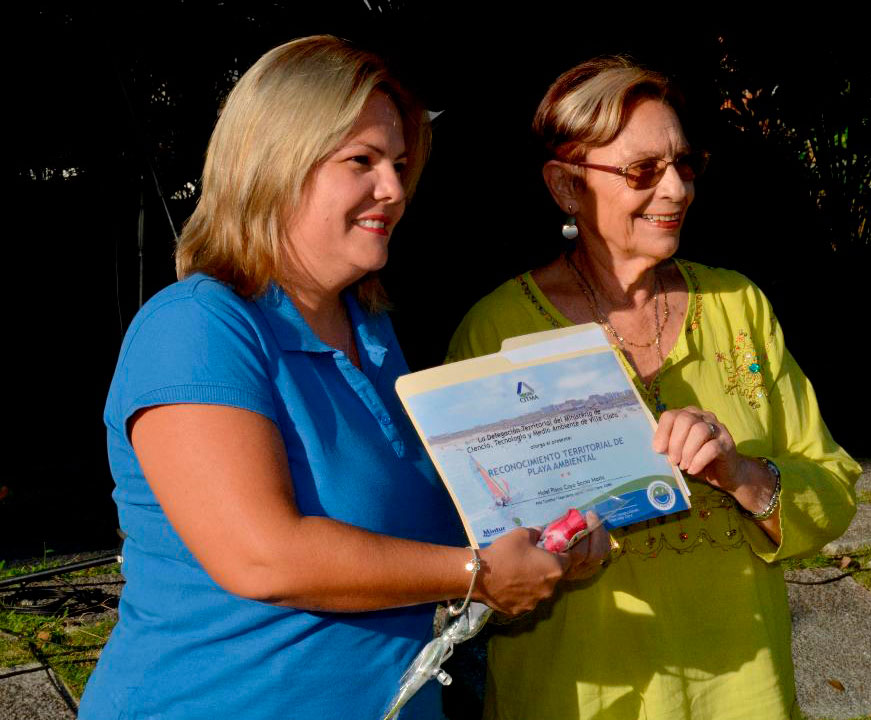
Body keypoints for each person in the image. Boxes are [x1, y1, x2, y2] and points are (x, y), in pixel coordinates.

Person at [79, 36, 607, 720]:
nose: (392, 188)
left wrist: (545, 542)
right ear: (274, 164)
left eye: (398, 163)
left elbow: (420, 536)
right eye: (361, 161)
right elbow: (263, 557)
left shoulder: (371, 329)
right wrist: (476, 575)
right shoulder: (196, 328)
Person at [446, 57, 860, 720]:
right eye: (642, 171)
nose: (677, 191)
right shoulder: (499, 332)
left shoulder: (737, 305)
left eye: (685, 164)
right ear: (565, 187)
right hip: (579, 695)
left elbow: (833, 486)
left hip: (744, 691)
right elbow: (474, 554)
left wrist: (742, 473)